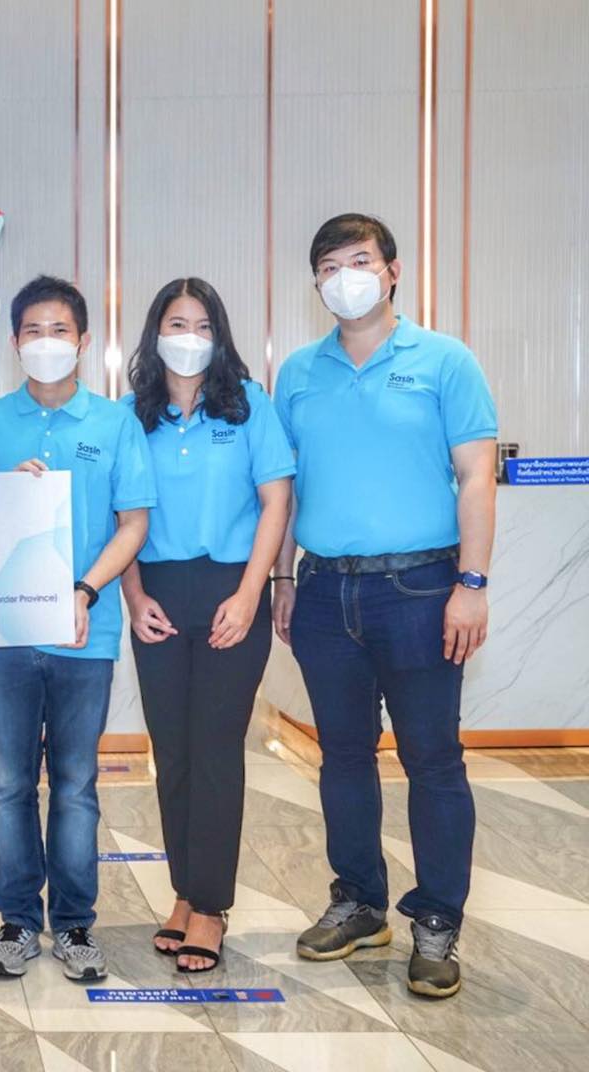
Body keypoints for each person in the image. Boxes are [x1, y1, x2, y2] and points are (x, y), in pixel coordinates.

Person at [272, 213, 497, 999]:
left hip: (422, 589)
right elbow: (284, 488)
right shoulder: (298, 373)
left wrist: (473, 584)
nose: (346, 278)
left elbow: (476, 475)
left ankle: (437, 922)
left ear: (393, 271)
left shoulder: (444, 360)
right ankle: (361, 903)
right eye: (330, 266)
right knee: (341, 756)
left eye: (360, 261)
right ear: (316, 284)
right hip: (324, 591)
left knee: (432, 759)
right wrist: (283, 580)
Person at [0, 275, 155, 983]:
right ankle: (15, 920)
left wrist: (85, 590)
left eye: (59, 330)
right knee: (9, 785)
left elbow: (133, 524)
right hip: (4, 636)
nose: (46, 342)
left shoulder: (115, 425)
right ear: (14, 342)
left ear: (84, 340)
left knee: (75, 784)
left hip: (81, 633)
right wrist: (2, 493)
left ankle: (73, 924)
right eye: (32, 331)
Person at [119, 278, 294, 973]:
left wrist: (252, 594)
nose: (188, 337)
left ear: (218, 335)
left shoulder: (249, 407)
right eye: (175, 323)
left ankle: (211, 907)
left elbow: (276, 502)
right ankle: (184, 893)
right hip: (157, 594)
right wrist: (134, 596)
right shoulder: (131, 415)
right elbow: (120, 514)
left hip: (231, 591)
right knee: (173, 752)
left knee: (216, 749)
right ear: (153, 333)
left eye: (201, 325)